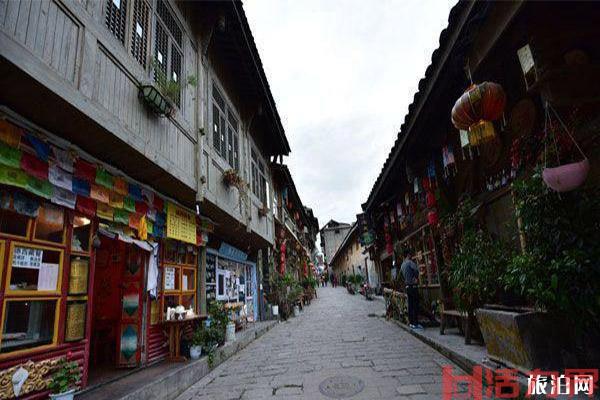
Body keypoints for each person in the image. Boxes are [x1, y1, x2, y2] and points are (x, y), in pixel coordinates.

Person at [401, 248, 423, 329]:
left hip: (407, 286)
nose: (411, 256)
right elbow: (416, 270)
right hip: (413, 286)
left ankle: (411, 323)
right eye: (410, 254)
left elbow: (403, 276)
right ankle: (415, 323)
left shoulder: (402, 265)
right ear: (408, 255)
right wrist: (415, 277)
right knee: (415, 305)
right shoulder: (410, 262)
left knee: (410, 305)